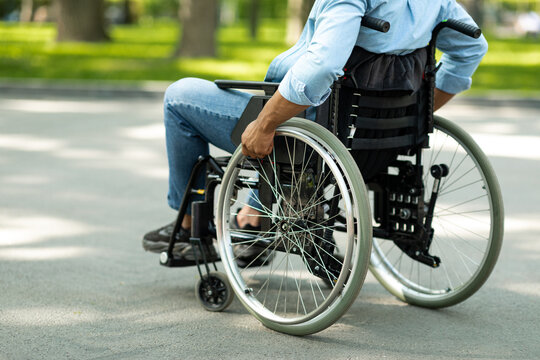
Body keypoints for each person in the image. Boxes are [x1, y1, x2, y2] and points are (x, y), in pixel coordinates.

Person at [142, 0, 488, 262]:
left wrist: (265, 124)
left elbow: (321, 67)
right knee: (287, 118)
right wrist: (414, 115)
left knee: (180, 96)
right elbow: (473, 48)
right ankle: (253, 219)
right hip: (371, 140)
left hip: (316, 130)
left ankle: (189, 225)